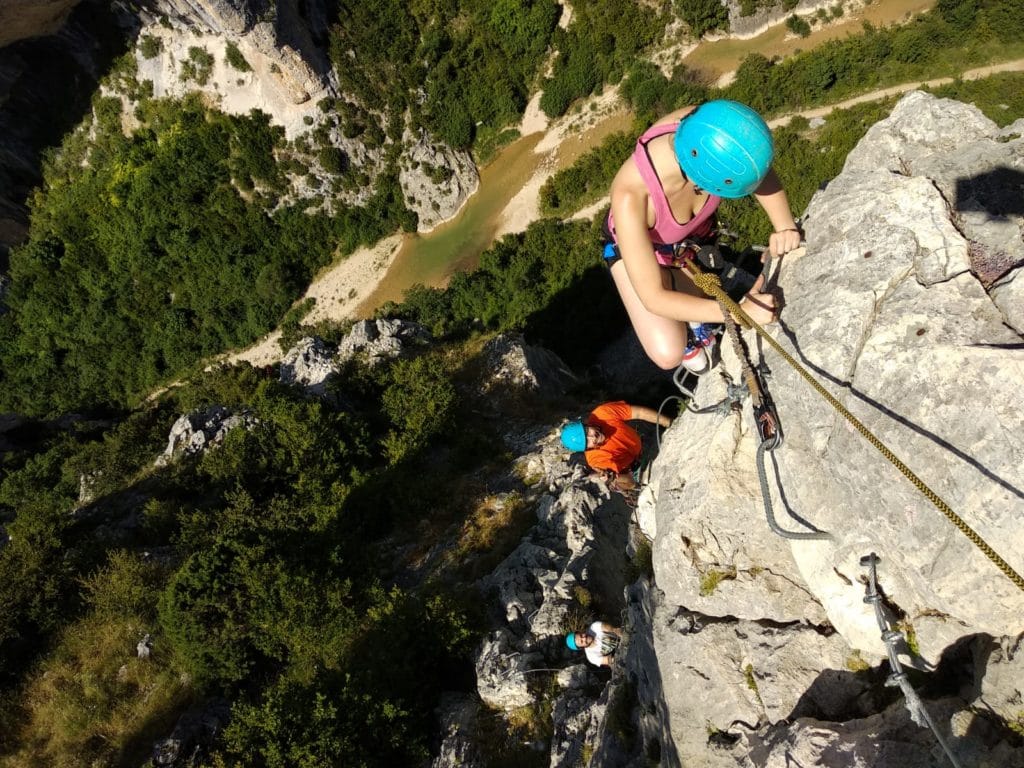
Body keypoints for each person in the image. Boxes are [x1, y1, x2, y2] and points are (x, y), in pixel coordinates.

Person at [603, 99, 803, 374]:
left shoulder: (711, 125)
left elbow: (753, 166)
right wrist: (738, 311)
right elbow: (653, 297)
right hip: (640, 248)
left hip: (691, 239)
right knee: (667, 353)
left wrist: (784, 227)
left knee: (691, 302)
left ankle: (692, 306)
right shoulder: (631, 196)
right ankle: (690, 329)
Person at [560, 401, 670, 491]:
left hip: (638, 447)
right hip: (629, 468)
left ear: (586, 424)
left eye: (587, 432)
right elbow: (629, 481)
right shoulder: (595, 459)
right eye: (587, 442)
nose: (593, 438)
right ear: (586, 449)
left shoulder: (602, 414)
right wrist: (612, 477)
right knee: (618, 482)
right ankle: (634, 491)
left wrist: (669, 423)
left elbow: (639, 412)